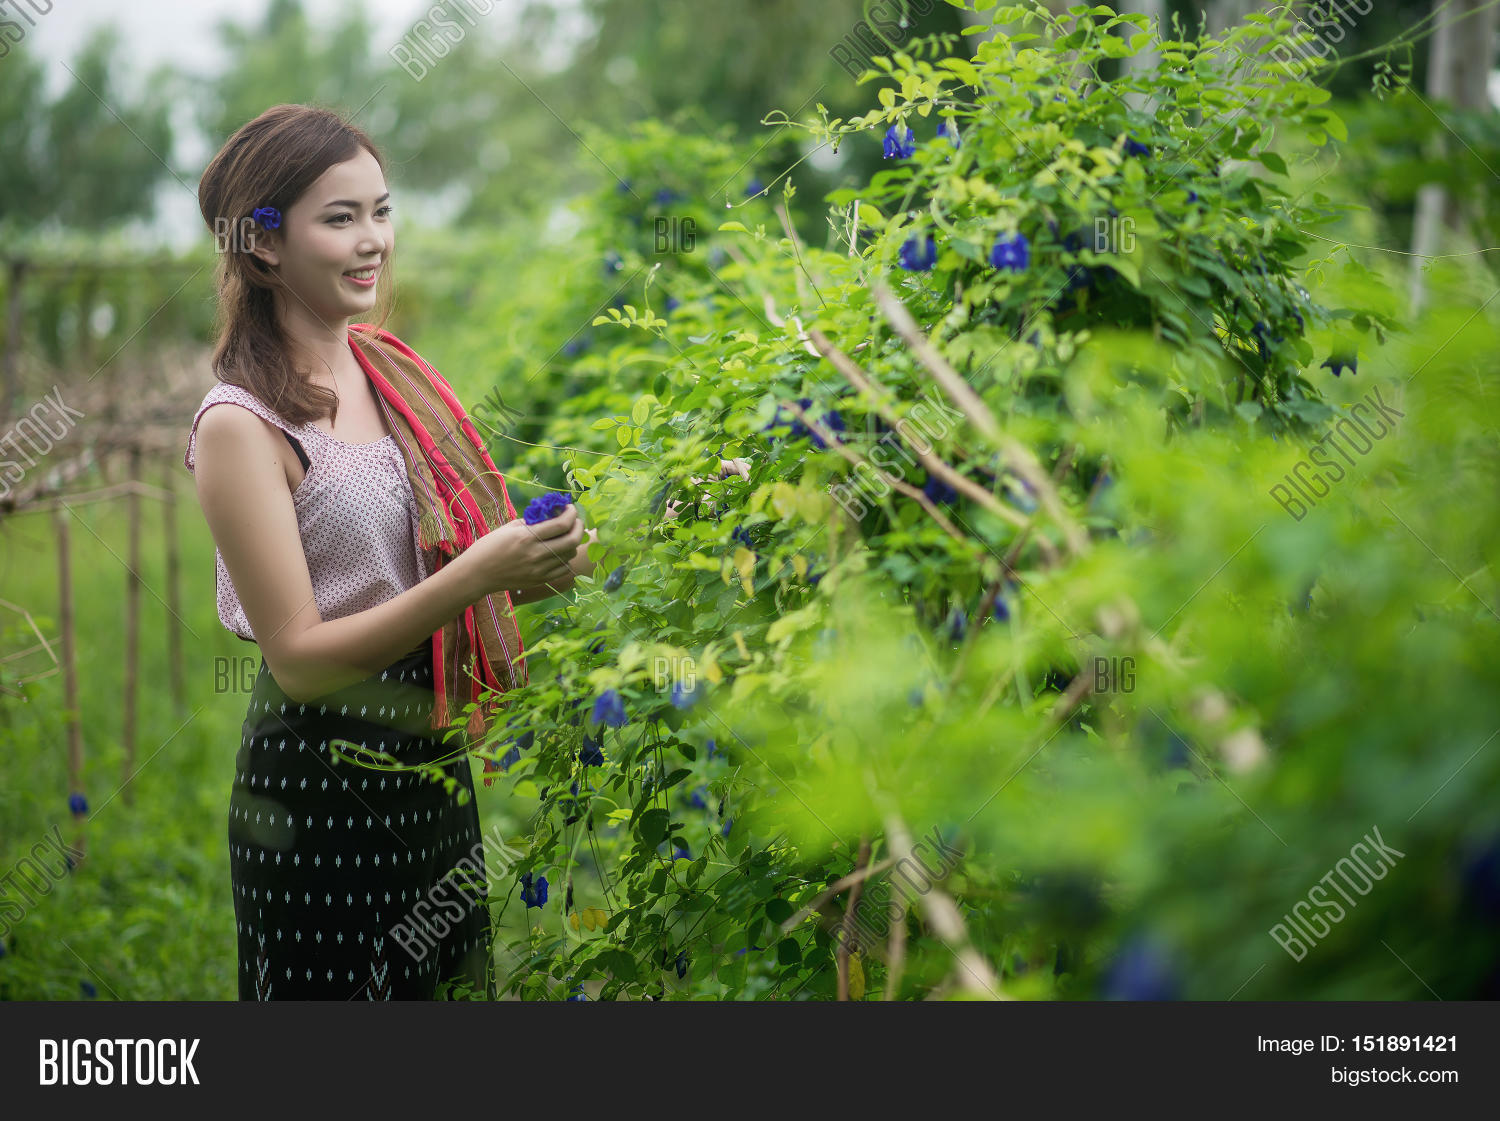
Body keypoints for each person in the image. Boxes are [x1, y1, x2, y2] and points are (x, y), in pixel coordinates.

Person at [184, 103, 594, 1000]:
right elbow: (299, 659)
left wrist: (547, 560)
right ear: (262, 244)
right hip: (320, 781)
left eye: (381, 210)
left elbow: (425, 579)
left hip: (429, 758)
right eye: (340, 218)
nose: (373, 240)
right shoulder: (241, 425)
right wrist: (477, 573)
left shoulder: (386, 371)